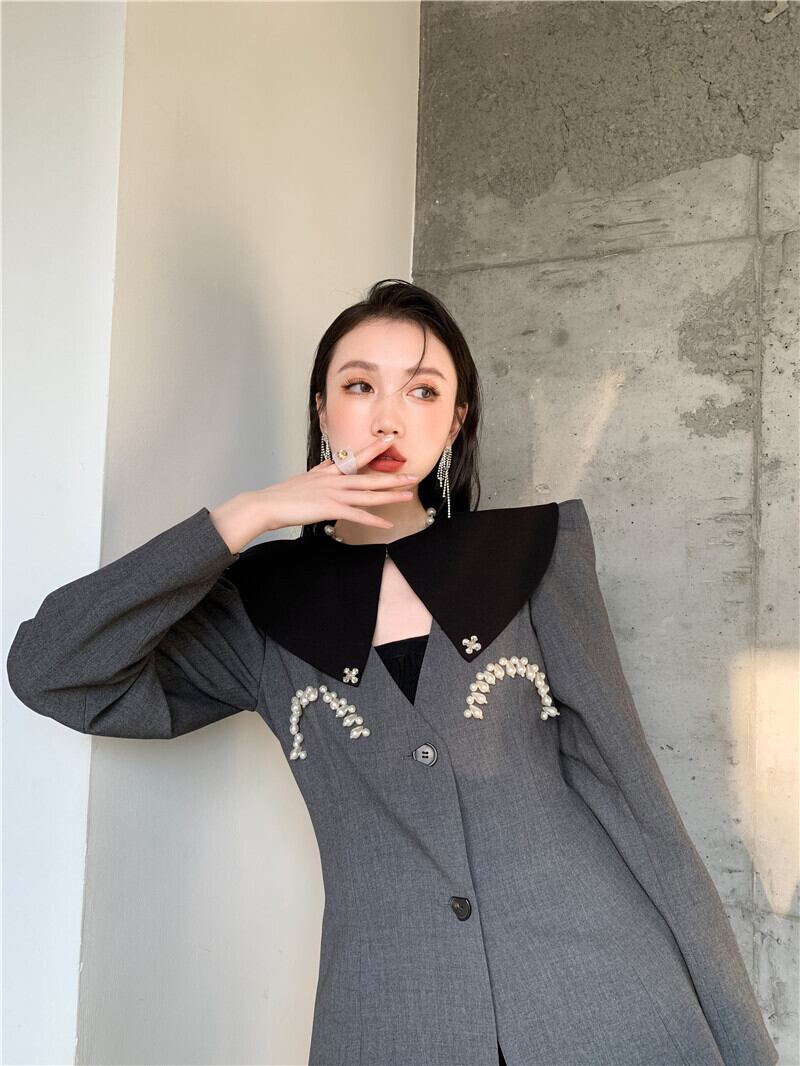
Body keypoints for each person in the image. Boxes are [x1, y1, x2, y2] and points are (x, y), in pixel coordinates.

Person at [7, 279, 779, 1066]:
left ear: (456, 420)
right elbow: (52, 670)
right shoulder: (262, 606)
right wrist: (245, 517)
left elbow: (631, 793)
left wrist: (741, 1042)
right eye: (359, 386)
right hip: (390, 1013)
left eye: (422, 390)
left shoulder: (531, 556)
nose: (388, 417)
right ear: (321, 411)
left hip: (600, 992)